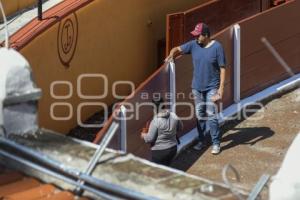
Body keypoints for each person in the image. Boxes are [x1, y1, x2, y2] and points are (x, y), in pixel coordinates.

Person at [165, 22, 226, 154]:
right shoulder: (193, 45)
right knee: (199, 115)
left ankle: (216, 143)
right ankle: (202, 140)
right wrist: (172, 54)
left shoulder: (217, 47)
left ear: (206, 35)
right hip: (197, 88)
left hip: (212, 87)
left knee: (211, 115)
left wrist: (221, 89)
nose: (196, 38)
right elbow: (177, 49)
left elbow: (222, 69)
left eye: (198, 36)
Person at [141, 97, 183, 166]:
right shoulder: (173, 115)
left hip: (159, 152)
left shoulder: (155, 121)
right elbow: (180, 127)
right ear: (164, 105)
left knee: (159, 172)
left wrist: (143, 135)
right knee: (167, 167)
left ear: (153, 108)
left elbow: (150, 139)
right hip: (173, 148)